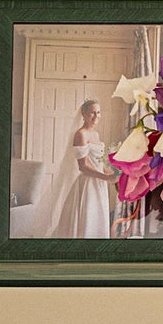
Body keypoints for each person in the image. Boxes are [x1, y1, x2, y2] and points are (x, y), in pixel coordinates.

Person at [40, 100, 114, 238]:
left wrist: (111, 172)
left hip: (99, 183)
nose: (96, 116)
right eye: (92, 112)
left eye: (98, 112)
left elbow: (98, 162)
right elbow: (83, 166)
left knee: (98, 217)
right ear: (83, 114)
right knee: (86, 220)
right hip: (88, 184)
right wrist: (105, 177)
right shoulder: (81, 134)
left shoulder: (96, 135)